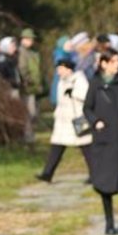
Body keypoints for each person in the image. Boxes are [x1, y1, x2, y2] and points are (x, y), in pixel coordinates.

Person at [83, 49, 118, 234]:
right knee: (104, 183)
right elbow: (87, 108)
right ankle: (109, 223)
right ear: (104, 63)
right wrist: (95, 122)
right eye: (114, 61)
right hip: (104, 140)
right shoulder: (95, 83)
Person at [36, 53, 91, 182]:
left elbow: (86, 95)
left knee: (86, 148)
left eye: (60, 69)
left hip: (75, 120)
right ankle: (47, 173)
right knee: (56, 147)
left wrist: (74, 92)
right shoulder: (62, 82)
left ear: (68, 69)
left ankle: (94, 175)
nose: (58, 72)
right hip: (63, 120)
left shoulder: (79, 79)